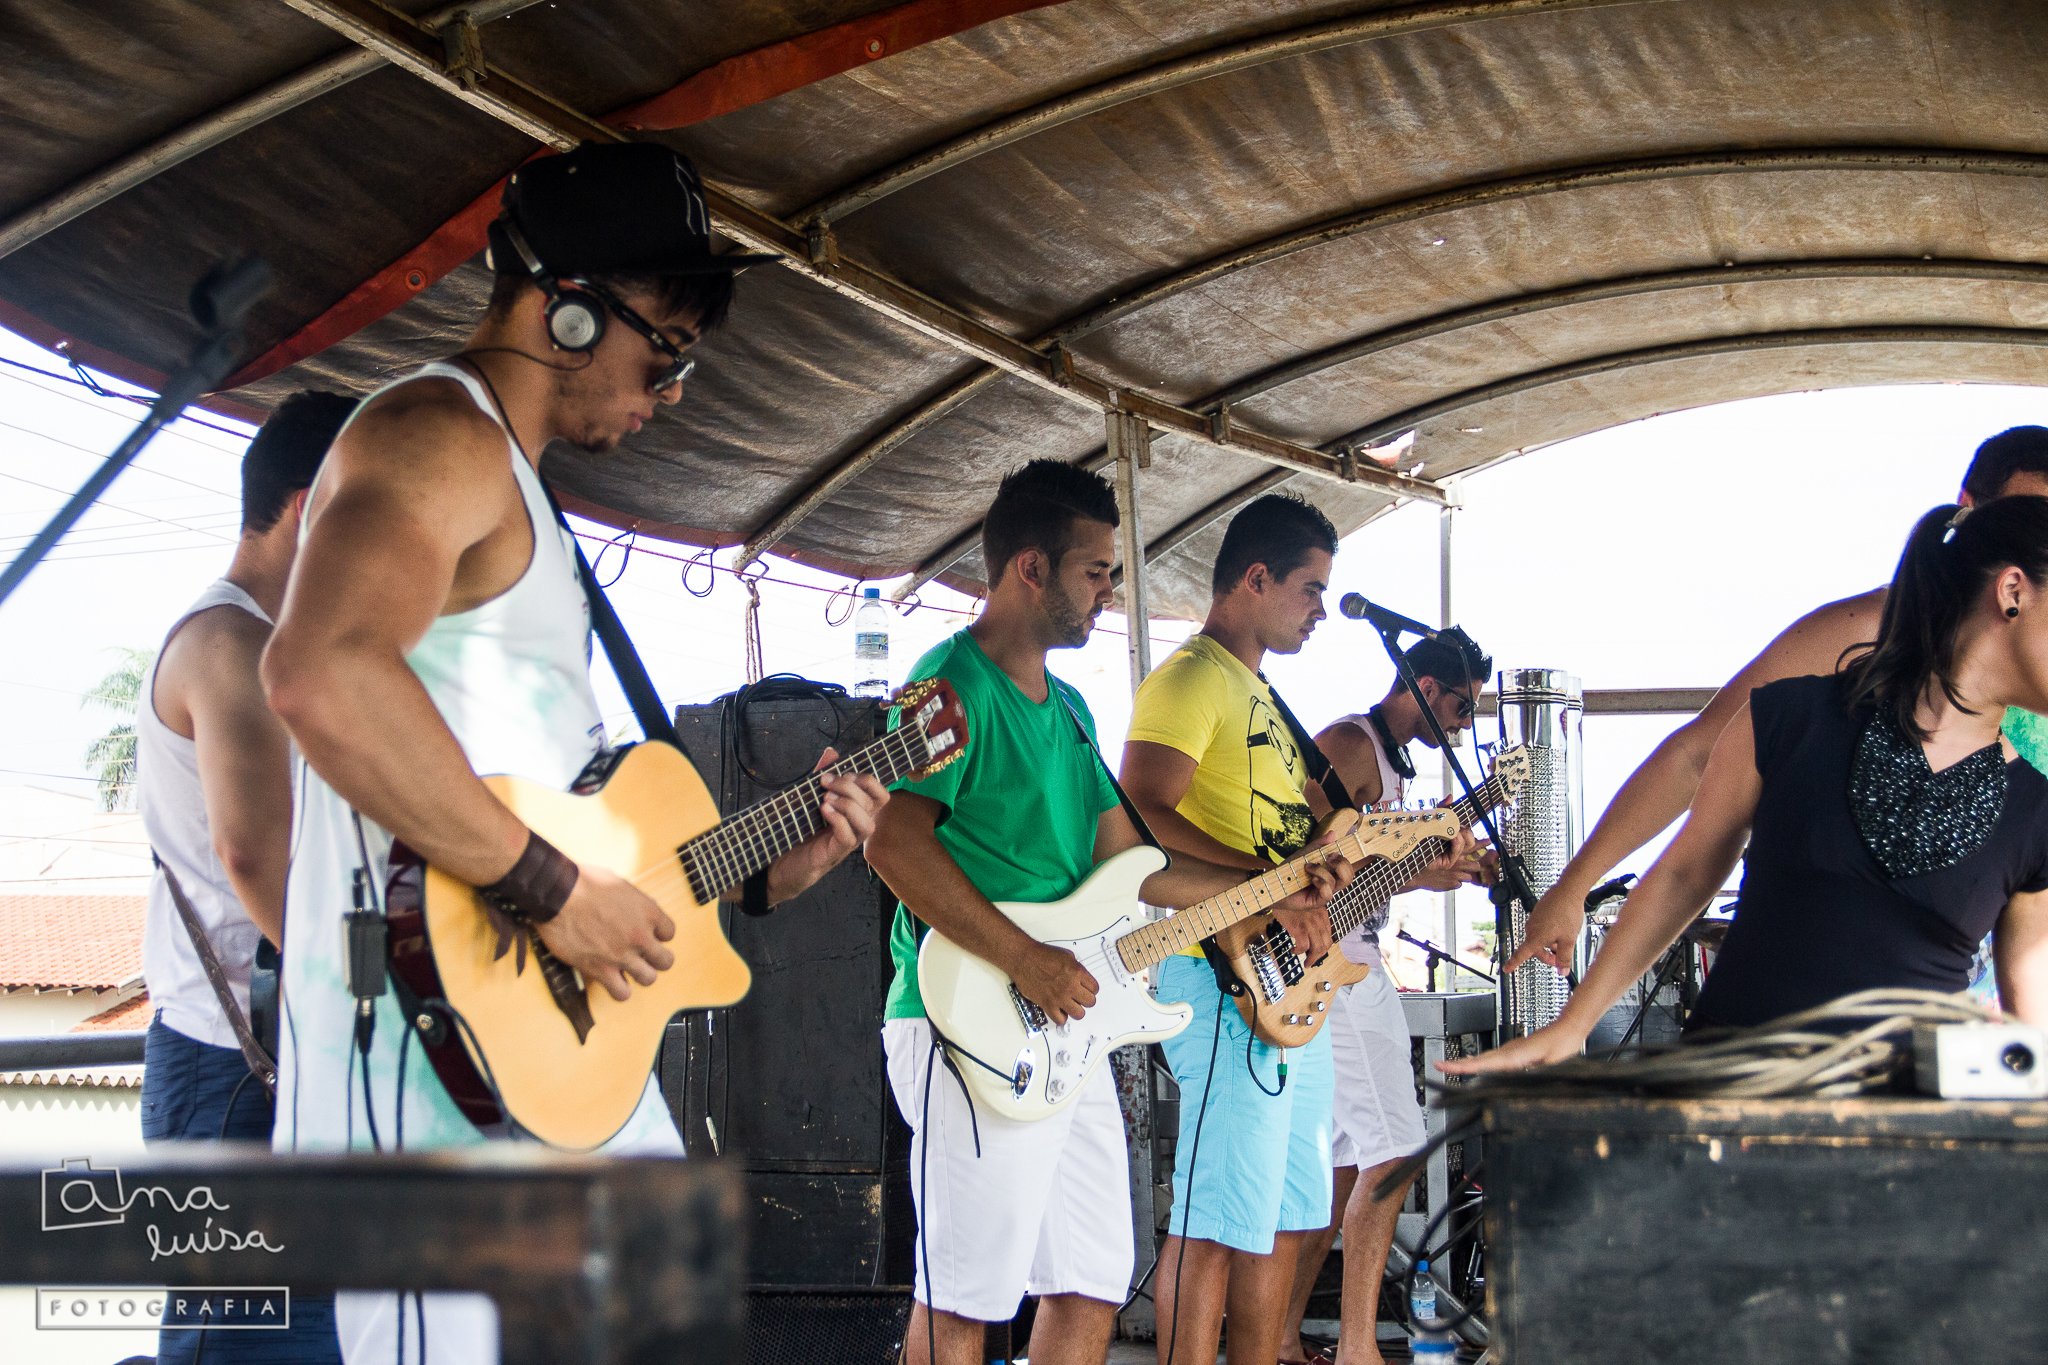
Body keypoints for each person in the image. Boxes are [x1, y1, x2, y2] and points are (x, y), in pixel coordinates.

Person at [260, 142, 888, 1363]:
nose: (674, 390)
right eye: (665, 352)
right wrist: (550, 889)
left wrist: (774, 866)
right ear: (568, 310)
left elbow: (588, 823)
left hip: (545, 1058)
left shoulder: (516, 487)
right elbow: (320, 670)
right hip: (433, 1058)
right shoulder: (436, 437)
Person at [863, 461, 1346, 1365]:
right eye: (1096, 572)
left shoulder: (1074, 710)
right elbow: (892, 842)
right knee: (964, 1301)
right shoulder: (948, 683)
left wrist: (1273, 887)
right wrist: (1025, 957)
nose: (1110, 592)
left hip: (1063, 1025)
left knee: (1090, 1279)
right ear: (1030, 569)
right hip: (962, 1017)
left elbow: (1136, 864)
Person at [1446, 497, 2048, 1076]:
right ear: (2013, 593)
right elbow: (1683, 875)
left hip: (1901, 1130)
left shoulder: (2038, 813)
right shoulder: (1790, 717)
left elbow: (2033, 1022)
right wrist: (1573, 1025)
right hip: (1727, 1102)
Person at [1513, 426, 2048, 977]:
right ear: (1968, 511)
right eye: (2029, 514)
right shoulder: (1876, 630)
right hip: (1872, 984)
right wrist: (1574, 886)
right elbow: (1698, 756)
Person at [1121, 494, 1379, 1365]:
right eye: (1311, 590)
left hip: (1287, 981)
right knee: (1214, 1223)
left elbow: (1304, 843)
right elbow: (1141, 813)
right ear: (1256, 578)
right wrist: (1267, 890)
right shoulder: (1193, 677)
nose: (1319, 611)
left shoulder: (1262, 695)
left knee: (1285, 1215)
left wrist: (1385, 857)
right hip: (1220, 972)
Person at [137, 390, 354, 1365]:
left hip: (278, 1059)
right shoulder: (227, 645)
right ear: (309, 510)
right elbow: (256, 858)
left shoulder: (286, 650)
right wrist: (386, 1005)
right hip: (233, 1072)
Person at [1278, 628, 1496, 1365]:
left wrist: (1427, 870)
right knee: (1397, 1150)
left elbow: (1359, 868)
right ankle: (1358, 1346)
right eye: (1460, 706)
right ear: (1425, 690)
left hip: (1350, 960)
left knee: (1347, 1164)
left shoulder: (1391, 760)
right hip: (1333, 962)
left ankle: (1285, 1337)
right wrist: (1414, 871)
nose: (1463, 724)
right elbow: (1291, 854)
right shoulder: (1351, 744)